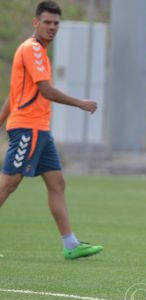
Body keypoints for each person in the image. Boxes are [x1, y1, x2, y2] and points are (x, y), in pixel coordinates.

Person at [0, 1, 103, 260]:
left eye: (56, 23)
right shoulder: (33, 49)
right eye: (47, 22)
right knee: (8, 185)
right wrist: (81, 103)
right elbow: (45, 91)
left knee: (57, 184)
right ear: (36, 23)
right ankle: (70, 243)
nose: (52, 27)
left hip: (40, 132)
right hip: (28, 129)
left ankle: (71, 244)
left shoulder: (37, 52)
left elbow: (14, 96)